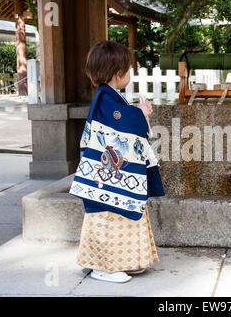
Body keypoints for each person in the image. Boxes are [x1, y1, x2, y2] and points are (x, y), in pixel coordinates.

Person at [74, 40, 164, 283]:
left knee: (118, 216)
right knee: (108, 217)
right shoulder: (106, 100)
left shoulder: (109, 98)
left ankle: (123, 262)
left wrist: (135, 112)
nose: (131, 74)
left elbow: (120, 120)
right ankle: (103, 267)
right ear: (118, 73)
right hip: (108, 177)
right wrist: (141, 113)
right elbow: (121, 122)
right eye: (129, 69)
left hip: (112, 174)